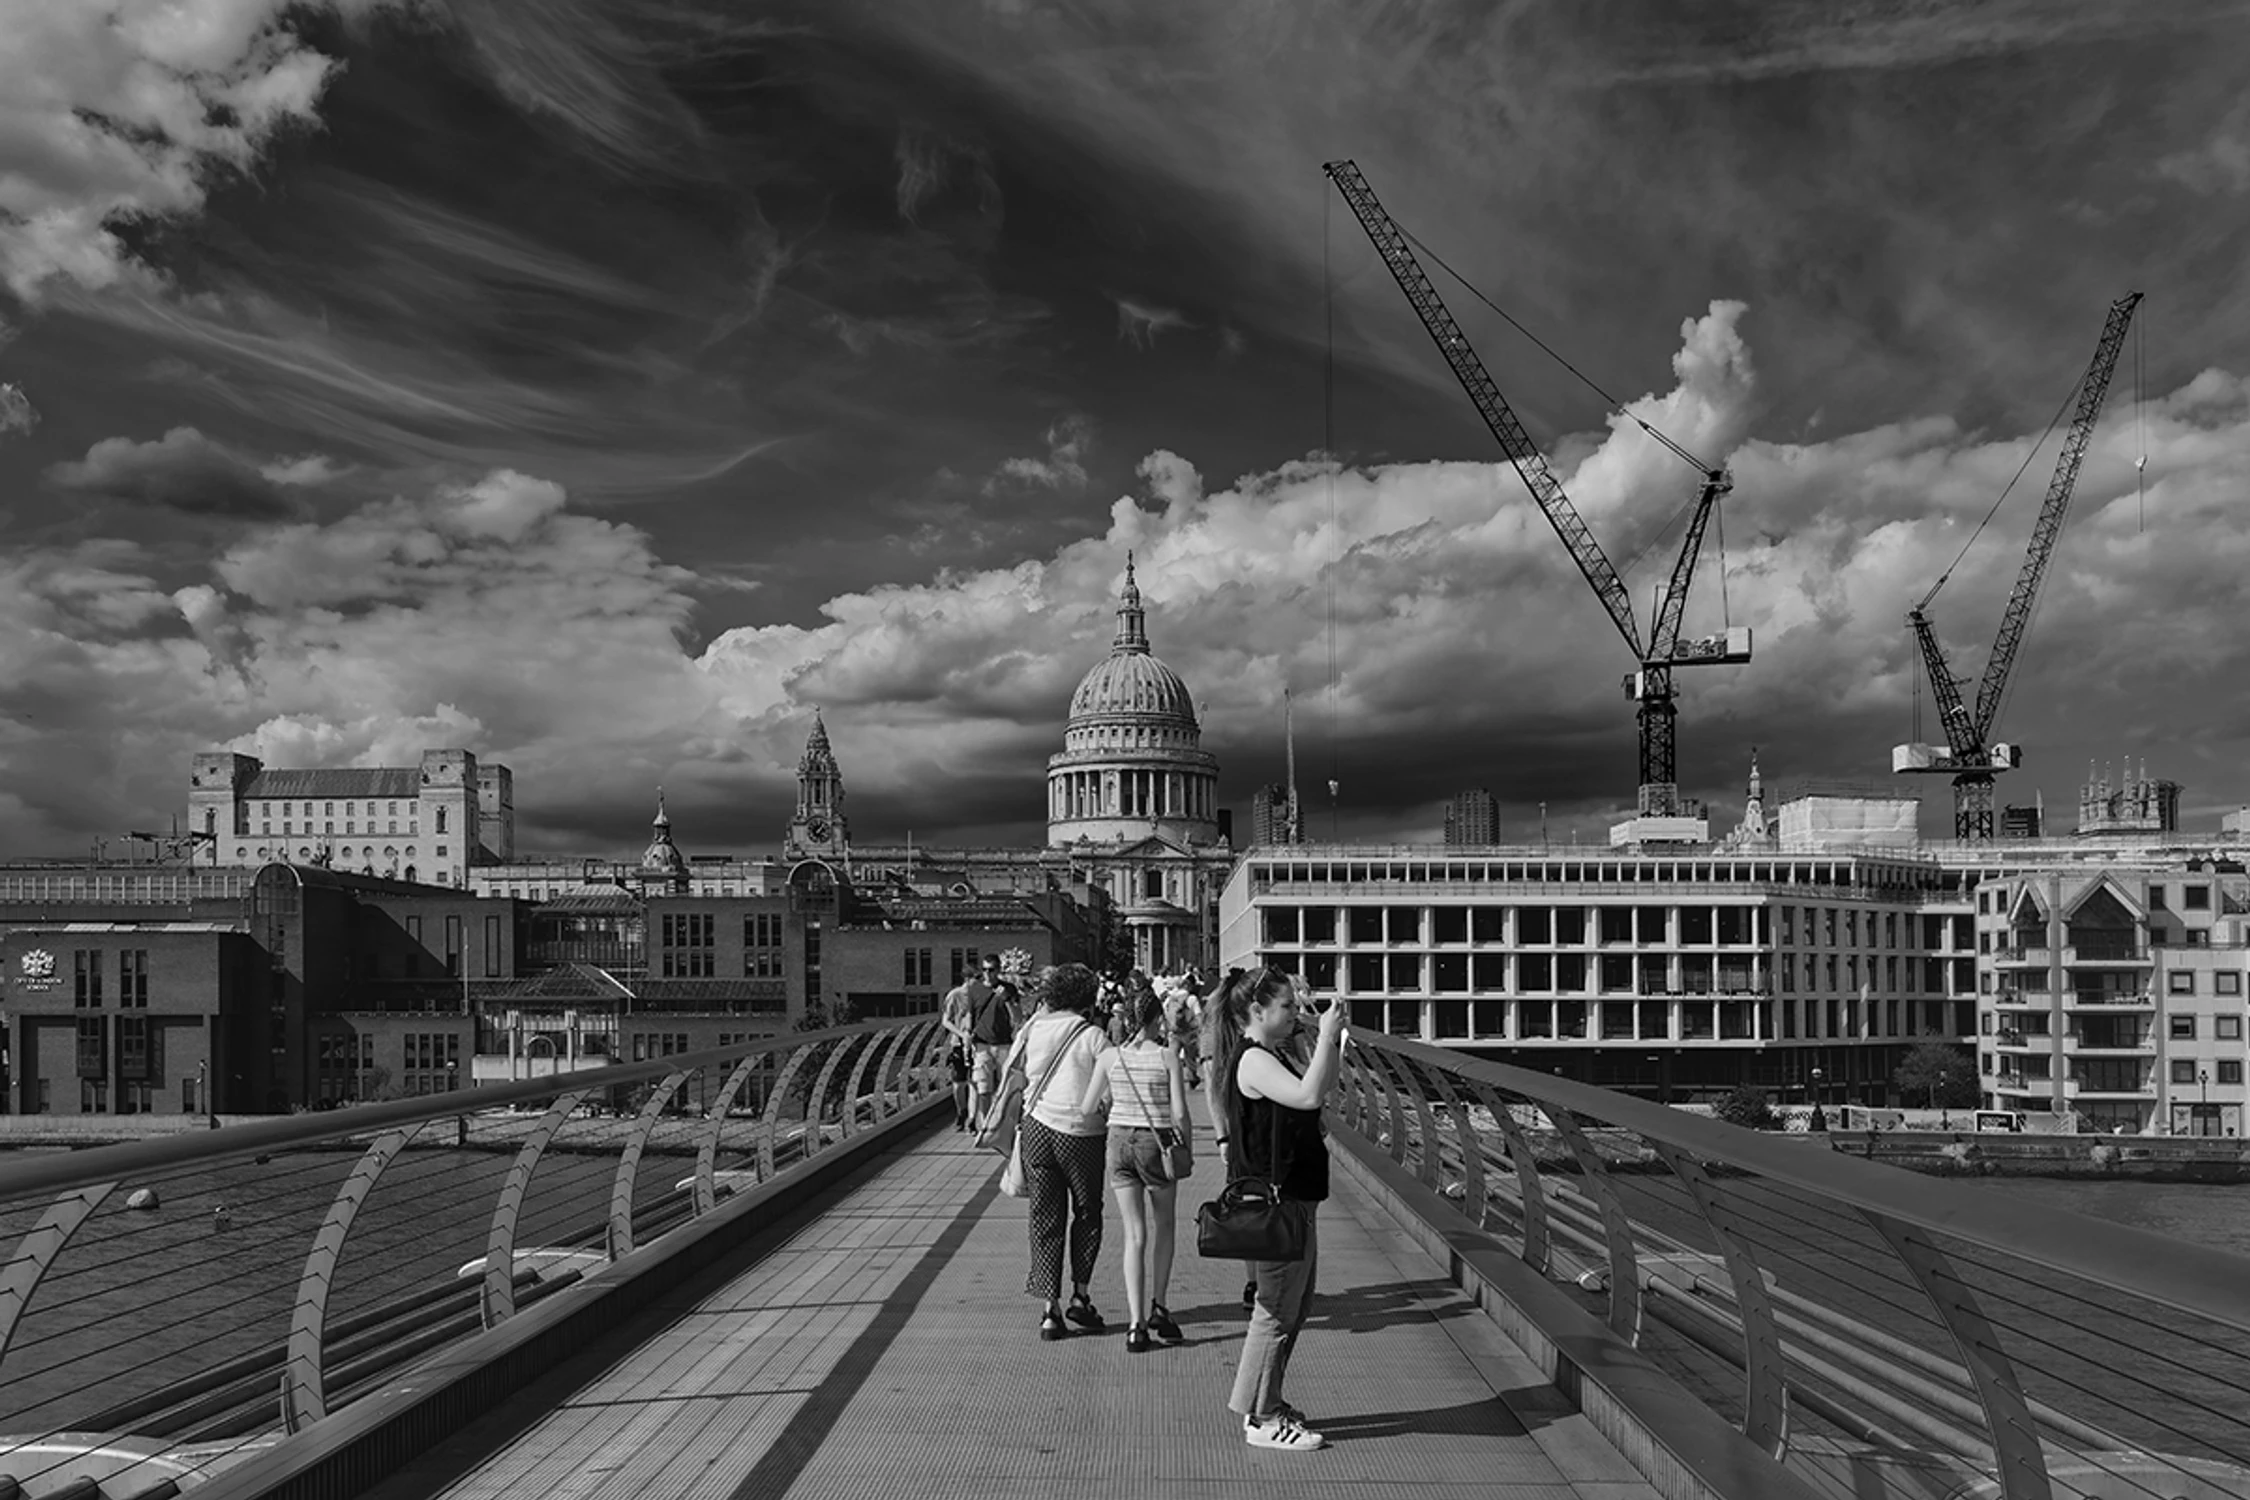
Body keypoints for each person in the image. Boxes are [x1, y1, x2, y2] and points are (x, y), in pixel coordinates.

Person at [1209, 965, 1345, 1453]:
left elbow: (1317, 1092)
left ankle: (1267, 1401)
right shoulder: (1252, 1061)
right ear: (1256, 1010)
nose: (1293, 1015)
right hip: (1278, 1202)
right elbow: (1308, 1095)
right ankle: (1260, 1416)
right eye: (1286, 1006)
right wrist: (1326, 1034)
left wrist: (1330, 1040)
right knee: (1275, 1309)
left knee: (1294, 1305)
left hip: (1293, 1200)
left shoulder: (1270, 1055)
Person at [1080, 979, 1189, 1351]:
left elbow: (1087, 1105)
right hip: (1156, 1143)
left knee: (1134, 1235)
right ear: (1157, 1019)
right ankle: (1160, 1306)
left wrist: (1116, 1105)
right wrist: (1185, 1143)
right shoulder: (1167, 1056)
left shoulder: (1111, 1057)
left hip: (1118, 1142)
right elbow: (1179, 1112)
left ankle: (1135, 1324)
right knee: (1165, 1226)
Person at [1012, 962, 1111, 1340]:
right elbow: (1108, 1089)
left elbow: (1016, 1070)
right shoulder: (1093, 1036)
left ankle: (1049, 1310)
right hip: (1080, 1132)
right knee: (1087, 1212)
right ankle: (1080, 1296)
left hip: (1037, 1126)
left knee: (1044, 1215)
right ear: (1087, 998)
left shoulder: (1032, 1029)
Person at [960, 954, 1019, 1133]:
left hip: (1003, 1044)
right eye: (984, 970)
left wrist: (1007, 1000)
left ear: (999, 970)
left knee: (1005, 1087)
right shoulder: (974, 989)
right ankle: (985, 1125)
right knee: (983, 1088)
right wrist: (967, 1035)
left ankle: (1004, 1123)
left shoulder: (1009, 989)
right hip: (982, 1045)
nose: (987, 974)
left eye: (991, 970)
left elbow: (1018, 1017)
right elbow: (970, 1014)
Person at [940, 977, 976, 1131]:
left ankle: (973, 1119)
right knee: (958, 1084)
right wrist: (961, 1035)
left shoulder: (980, 994)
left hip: (976, 1044)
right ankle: (962, 1111)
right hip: (958, 1044)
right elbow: (946, 1020)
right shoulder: (954, 995)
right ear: (967, 980)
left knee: (975, 1083)